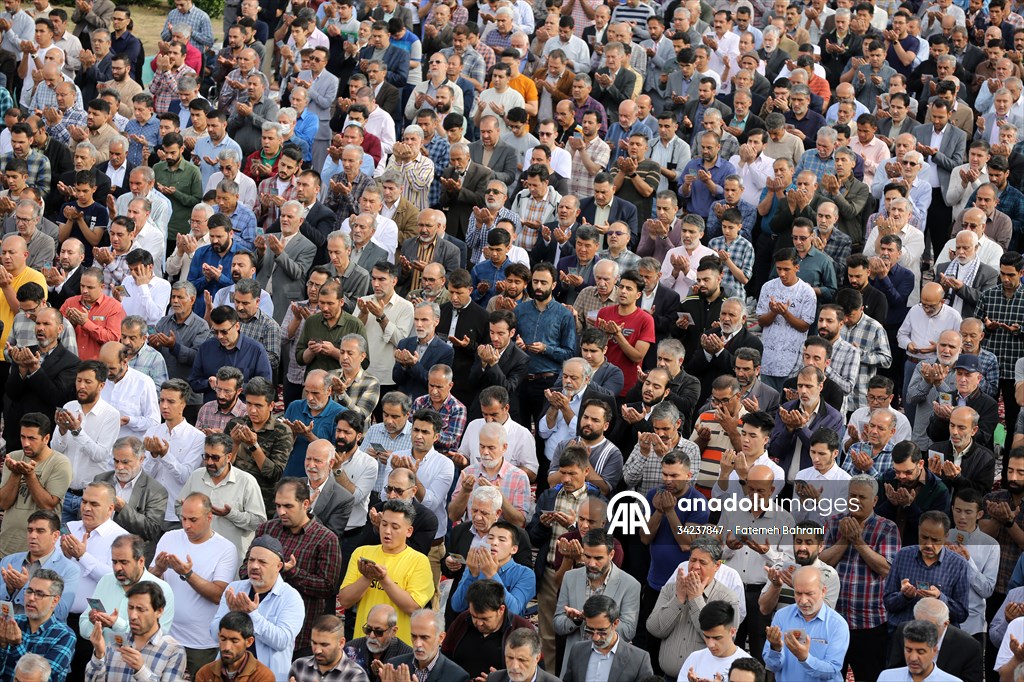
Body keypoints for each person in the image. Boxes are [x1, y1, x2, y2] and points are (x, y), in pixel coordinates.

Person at [244, 478, 341, 655]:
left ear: (305, 504)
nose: (281, 512)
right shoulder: (267, 530)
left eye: (288, 506)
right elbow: (244, 569)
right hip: (257, 628)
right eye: (278, 505)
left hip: (302, 636)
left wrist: (293, 573)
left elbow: (328, 587)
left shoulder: (326, 539)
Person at [150, 492, 237, 679]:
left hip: (201, 644)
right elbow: (148, 585)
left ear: (209, 517)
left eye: (193, 520)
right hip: (165, 635)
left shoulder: (226, 548)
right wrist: (158, 569)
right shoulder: (169, 537)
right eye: (183, 518)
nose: (186, 525)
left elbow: (218, 595)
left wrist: (187, 574)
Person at [338, 499, 435, 644]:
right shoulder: (362, 553)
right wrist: (366, 578)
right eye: (384, 524)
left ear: (409, 531)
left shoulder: (419, 561)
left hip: (398, 649)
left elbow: (413, 607)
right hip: (363, 643)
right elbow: (345, 600)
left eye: (395, 527)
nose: (387, 531)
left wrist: (384, 579)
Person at [210, 536, 304, 680]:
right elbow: (214, 633)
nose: (254, 566)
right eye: (251, 560)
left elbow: (281, 641)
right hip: (228, 674)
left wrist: (252, 615)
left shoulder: (290, 597)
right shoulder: (234, 588)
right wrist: (232, 614)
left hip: (268, 676)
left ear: (278, 566)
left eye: (262, 562)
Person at [175, 432, 267, 561]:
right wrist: (189, 515)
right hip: (197, 555)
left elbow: (259, 523)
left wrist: (231, 514)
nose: (210, 462)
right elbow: (179, 505)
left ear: (229, 457)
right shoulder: (196, 476)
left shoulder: (246, 481)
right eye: (206, 456)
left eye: (215, 458)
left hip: (231, 559)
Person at [0, 413, 72, 558]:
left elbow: (48, 505)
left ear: (46, 438)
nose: (26, 443)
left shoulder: (60, 463)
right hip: (7, 546)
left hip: (40, 552)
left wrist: (30, 475)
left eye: (32, 438)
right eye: (22, 437)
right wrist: (15, 474)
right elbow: (4, 503)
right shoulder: (13, 457)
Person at [84, 581, 187, 682]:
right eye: (130, 607)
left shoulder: (173, 650)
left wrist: (141, 670)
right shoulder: (116, 640)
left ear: (159, 611)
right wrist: (99, 654)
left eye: (140, 609)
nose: (133, 616)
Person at [762, 566, 849, 680]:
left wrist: (805, 658)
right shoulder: (782, 616)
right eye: (798, 593)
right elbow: (772, 666)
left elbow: (831, 671)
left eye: (809, 594)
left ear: (823, 591)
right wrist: (776, 649)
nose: (803, 601)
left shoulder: (837, 624)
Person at [0, 569, 75, 682]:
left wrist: (16, 645)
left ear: (55, 600)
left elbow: (43, 678)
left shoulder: (64, 635)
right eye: (29, 591)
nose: (31, 598)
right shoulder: (13, 622)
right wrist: (2, 646)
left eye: (39, 594)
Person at [194, 611, 275, 681]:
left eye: (234, 641)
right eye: (223, 639)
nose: (227, 647)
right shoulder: (205, 673)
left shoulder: (262, 676)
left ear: (249, 642)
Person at [878, 619, 962, 681]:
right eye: (908, 650)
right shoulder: (887, 677)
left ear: (934, 651)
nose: (913, 658)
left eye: (920, 652)